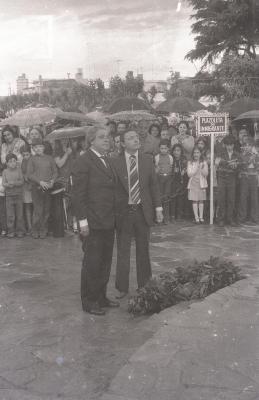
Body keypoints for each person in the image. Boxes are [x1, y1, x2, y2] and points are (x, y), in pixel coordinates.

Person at [110, 130, 163, 299]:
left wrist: (158, 208)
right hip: (124, 212)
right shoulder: (114, 162)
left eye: (136, 137)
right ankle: (122, 288)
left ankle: (145, 285)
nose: (135, 140)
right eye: (130, 138)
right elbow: (111, 189)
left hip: (142, 211)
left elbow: (153, 186)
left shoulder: (147, 160)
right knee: (123, 251)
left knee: (143, 250)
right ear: (123, 143)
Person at [72, 127, 118, 316]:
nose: (107, 140)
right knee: (92, 262)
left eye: (108, 137)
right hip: (92, 221)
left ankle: (101, 296)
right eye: (102, 137)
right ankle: (89, 301)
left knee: (105, 261)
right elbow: (78, 195)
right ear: (91, 141)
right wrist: (82, 221)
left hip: (108, 220)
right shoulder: (83, 161)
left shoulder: (107, 159)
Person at [27, 138, 58, 239]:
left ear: (43, 147)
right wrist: (40, 182)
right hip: (37, 188)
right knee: (38, 210)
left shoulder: (50, 158)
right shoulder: (31, 159)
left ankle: (44, 229)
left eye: (40, 146)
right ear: (33, 149)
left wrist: (52, 181)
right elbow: (29, 174)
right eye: (35, 147)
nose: (38, 149)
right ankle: (35, 229)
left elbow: (55, 171)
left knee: (46, 209)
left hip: (48, 188)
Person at [216, 135, 241, 227]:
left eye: (231, 145)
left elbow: (241, 166)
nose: (229, 147)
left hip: (232, 178)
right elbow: (216, 164)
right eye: (227, 145)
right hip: (222, 177)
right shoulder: (220, 153)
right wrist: (223, 163)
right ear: (225, 145)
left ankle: (230, 219)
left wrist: (236, 166)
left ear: (234, 145)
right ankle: (221, 219)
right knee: (221, 198)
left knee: (231, 199)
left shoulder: (237, 154)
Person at [2, 153, 25, 238]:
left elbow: (22, 181)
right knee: (10, 215)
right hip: (9, 197)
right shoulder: (5, 171)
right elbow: (4, 183)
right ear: (7, 163)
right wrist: (8, 184)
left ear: (17, 162)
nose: (12, 163)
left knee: (20, 215)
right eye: (10, 162)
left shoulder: (19, 170)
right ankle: (11, 231)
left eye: (14, 161)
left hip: (19, 195)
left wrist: (14, 183)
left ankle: (20, 231)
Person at [238, 137, 259, 225]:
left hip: (253, 176)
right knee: (243, 197)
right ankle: (242, 217)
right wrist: (249, 158)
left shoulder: (256, 154)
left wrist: (255, 157)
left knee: (254, 197)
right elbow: (242, 165)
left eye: (249, 145)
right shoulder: (241, 155)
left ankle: (255, 217)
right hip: (244, 176)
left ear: (252, 146)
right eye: (245, 145)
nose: (247, 147)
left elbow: (257, 166)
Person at [187, 146, 208, 224]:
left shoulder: (204, 162)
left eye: (198, 152)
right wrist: (196, 168)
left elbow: (206, 174)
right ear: (192, 154)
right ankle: (196, 217)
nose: (196, 154)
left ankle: (201, 217)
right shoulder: (190, 162)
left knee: (201, 200)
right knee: (195, 200)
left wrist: (202, 168)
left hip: (201, 183)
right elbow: (189, 174)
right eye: (195, 152)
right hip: (193, 183)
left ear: (200, 153)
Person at [154, 139, 173, 224]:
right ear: (159, 149)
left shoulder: (170, 157)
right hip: (160, 178)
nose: (163, 150)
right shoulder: (157, 157)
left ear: (168, 149)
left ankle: (166, 218)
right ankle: (159, 218)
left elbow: (171, 166)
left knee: (166, 197)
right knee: (159, 197)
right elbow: (156, 168)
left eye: (165, 148)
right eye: (161, 148)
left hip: (168, 177)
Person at [170, 144, 187, 222]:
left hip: (181, 181)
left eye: (178, 150)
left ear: (181, 151)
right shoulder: (171, 159)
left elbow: (187, 168)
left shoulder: (184, 159)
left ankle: (179, 215)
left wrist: (185, 171)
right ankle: (173, 215)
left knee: (180, 199)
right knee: (173, 198)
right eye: (175, 150)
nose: (176, 152)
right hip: (173, 181)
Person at [21, 144, 33, 235]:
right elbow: (22, 173)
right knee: (27, 206)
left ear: (30, 153)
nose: (25, 157)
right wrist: (24, 176)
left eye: (27, 154)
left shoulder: (34, 161)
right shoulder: (22, 162)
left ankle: (36, 226)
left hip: (34, 186)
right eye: (23, 155)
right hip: (26, 187)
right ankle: (29, 227)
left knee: (36, 207)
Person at [0, 164, 7, 236]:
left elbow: (3, 189)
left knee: (2, 213)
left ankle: (4, 229)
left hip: (2, 197)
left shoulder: (4, 178)